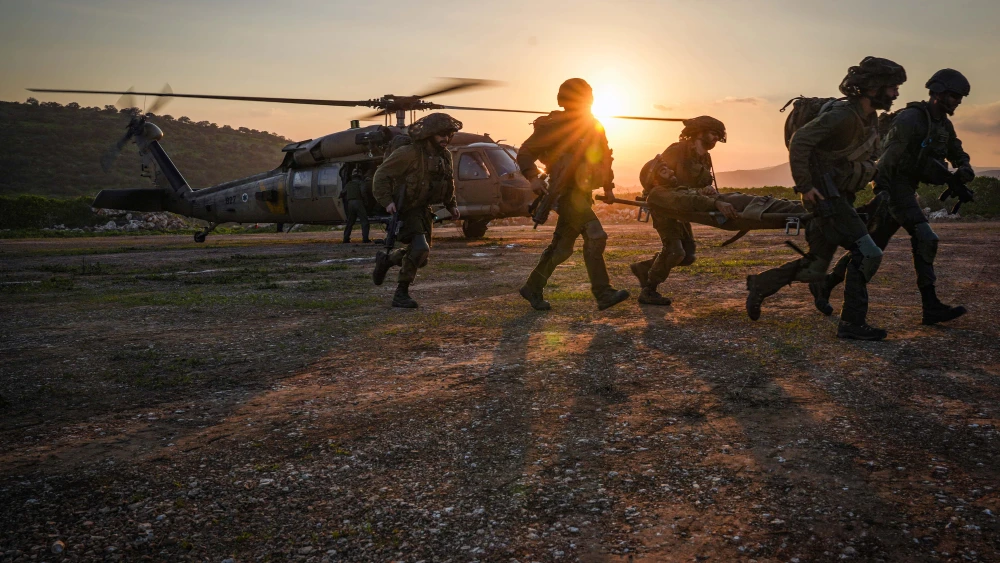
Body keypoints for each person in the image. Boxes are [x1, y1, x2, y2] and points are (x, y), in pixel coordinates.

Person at [746, 56, 907, 340]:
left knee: (815, 268)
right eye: (892, 87)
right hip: (826, 199)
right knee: (869, 252)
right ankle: (852, 323)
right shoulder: (843, 115)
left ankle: (761, 284)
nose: (895, 93)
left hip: (839, 197)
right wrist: (805, 186)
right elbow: (801, 141)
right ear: (872, 87)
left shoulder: (868, 119)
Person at [811, 69, 971, 325]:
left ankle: (825, 285)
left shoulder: (942, 124)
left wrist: (964, 166)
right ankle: (930, 306)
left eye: (960, 97)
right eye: (953, 95)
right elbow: (887, 159)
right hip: (893, 188)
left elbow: (956, 149)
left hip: (905, 189)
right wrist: (884, 191)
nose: (957, 101)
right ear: (937, 93)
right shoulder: (911, 119)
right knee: (926, 237)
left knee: (871, 248)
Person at [628, 117, 805, 305]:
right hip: (668, 206)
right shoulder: (676, 151)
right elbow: (660, 179)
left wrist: (707, 192)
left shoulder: (704, 156)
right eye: (713, 134)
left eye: (718, 136)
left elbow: (700, 185)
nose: (715, 139)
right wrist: (709, 201)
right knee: (675, 252)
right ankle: (649, 288)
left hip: (693, 202)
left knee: (687, 255)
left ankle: (645, 269)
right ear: (699, 132)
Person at [517, 78, 630, 311]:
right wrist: (533, 178)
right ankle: (603, 293)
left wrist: (608, 187)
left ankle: (532, 287)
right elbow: (526, 152)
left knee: (562, 249)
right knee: (596, 234)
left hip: (582, 193)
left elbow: (604, 158)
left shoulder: (595, 125)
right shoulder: (554, 125)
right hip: (564, 194)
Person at [370, 113, 462, 308]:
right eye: (441, 135)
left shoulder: (444, 156)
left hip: (423, 209)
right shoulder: (409, 153)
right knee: (420, 248)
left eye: (448, 135)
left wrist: (451, 204)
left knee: (421, 258)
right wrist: (386, 201)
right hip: (406, 207)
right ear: (429, 135)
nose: (445, 139)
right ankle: (400, 294)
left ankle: (387, 260)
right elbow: (381, 174)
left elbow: (448, 180)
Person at [342, 168, 370, 243]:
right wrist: (366, 202)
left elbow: (342, 193)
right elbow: (363, 192)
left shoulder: (349, 184)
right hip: (358, 202)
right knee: (364, 221)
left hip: (350, 204)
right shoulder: (361, 183)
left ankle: (345, 238)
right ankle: (365, 239)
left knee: (350, 222)